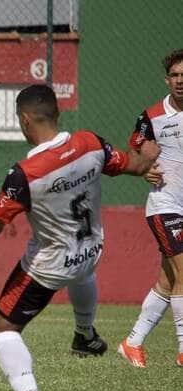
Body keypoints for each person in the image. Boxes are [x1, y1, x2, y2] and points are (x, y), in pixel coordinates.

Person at [0, 84, 159, 391]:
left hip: (49, 266)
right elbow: (135, 166)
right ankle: (84, 335)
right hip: (91, 250)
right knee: (84, 273)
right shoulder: (89, 143)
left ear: (25, 120)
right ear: (58, 113)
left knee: (4, 327)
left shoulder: (25, 173)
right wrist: (150, 155)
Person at [117, 49, 183, 368]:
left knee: (169, 280)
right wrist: (146, 169)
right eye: (176, 76)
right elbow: (137, 152)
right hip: (165, 204)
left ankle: (132, 343)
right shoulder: (153, 116)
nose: (181, 81)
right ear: (167, 79)